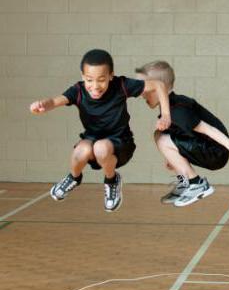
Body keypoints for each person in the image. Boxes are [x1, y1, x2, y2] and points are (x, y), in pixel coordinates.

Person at [29, 49, 170, 212]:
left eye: (101, 80)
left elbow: (159, 85)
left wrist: (165, 115)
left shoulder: (121, 85)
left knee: (100, 148)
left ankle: (112, 181)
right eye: (89, 80)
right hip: (92, 139)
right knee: (81, 151)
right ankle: (74, 178)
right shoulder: (79, 91)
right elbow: (54, 101)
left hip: (120, 143)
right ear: (83, 76)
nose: (95, 86)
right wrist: (42, 105)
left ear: (111, 75)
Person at [135, 61, 229, 207]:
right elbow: (179, 135)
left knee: (162, 138)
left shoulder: (178, 110)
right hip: (206, 147)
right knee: (160, 134)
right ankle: (185, 182)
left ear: (158, 87)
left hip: (215, 152)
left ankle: (197, 184)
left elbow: (209, 130)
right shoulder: (170, 107)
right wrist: (173, 159)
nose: (140, 92)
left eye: (144, 87)